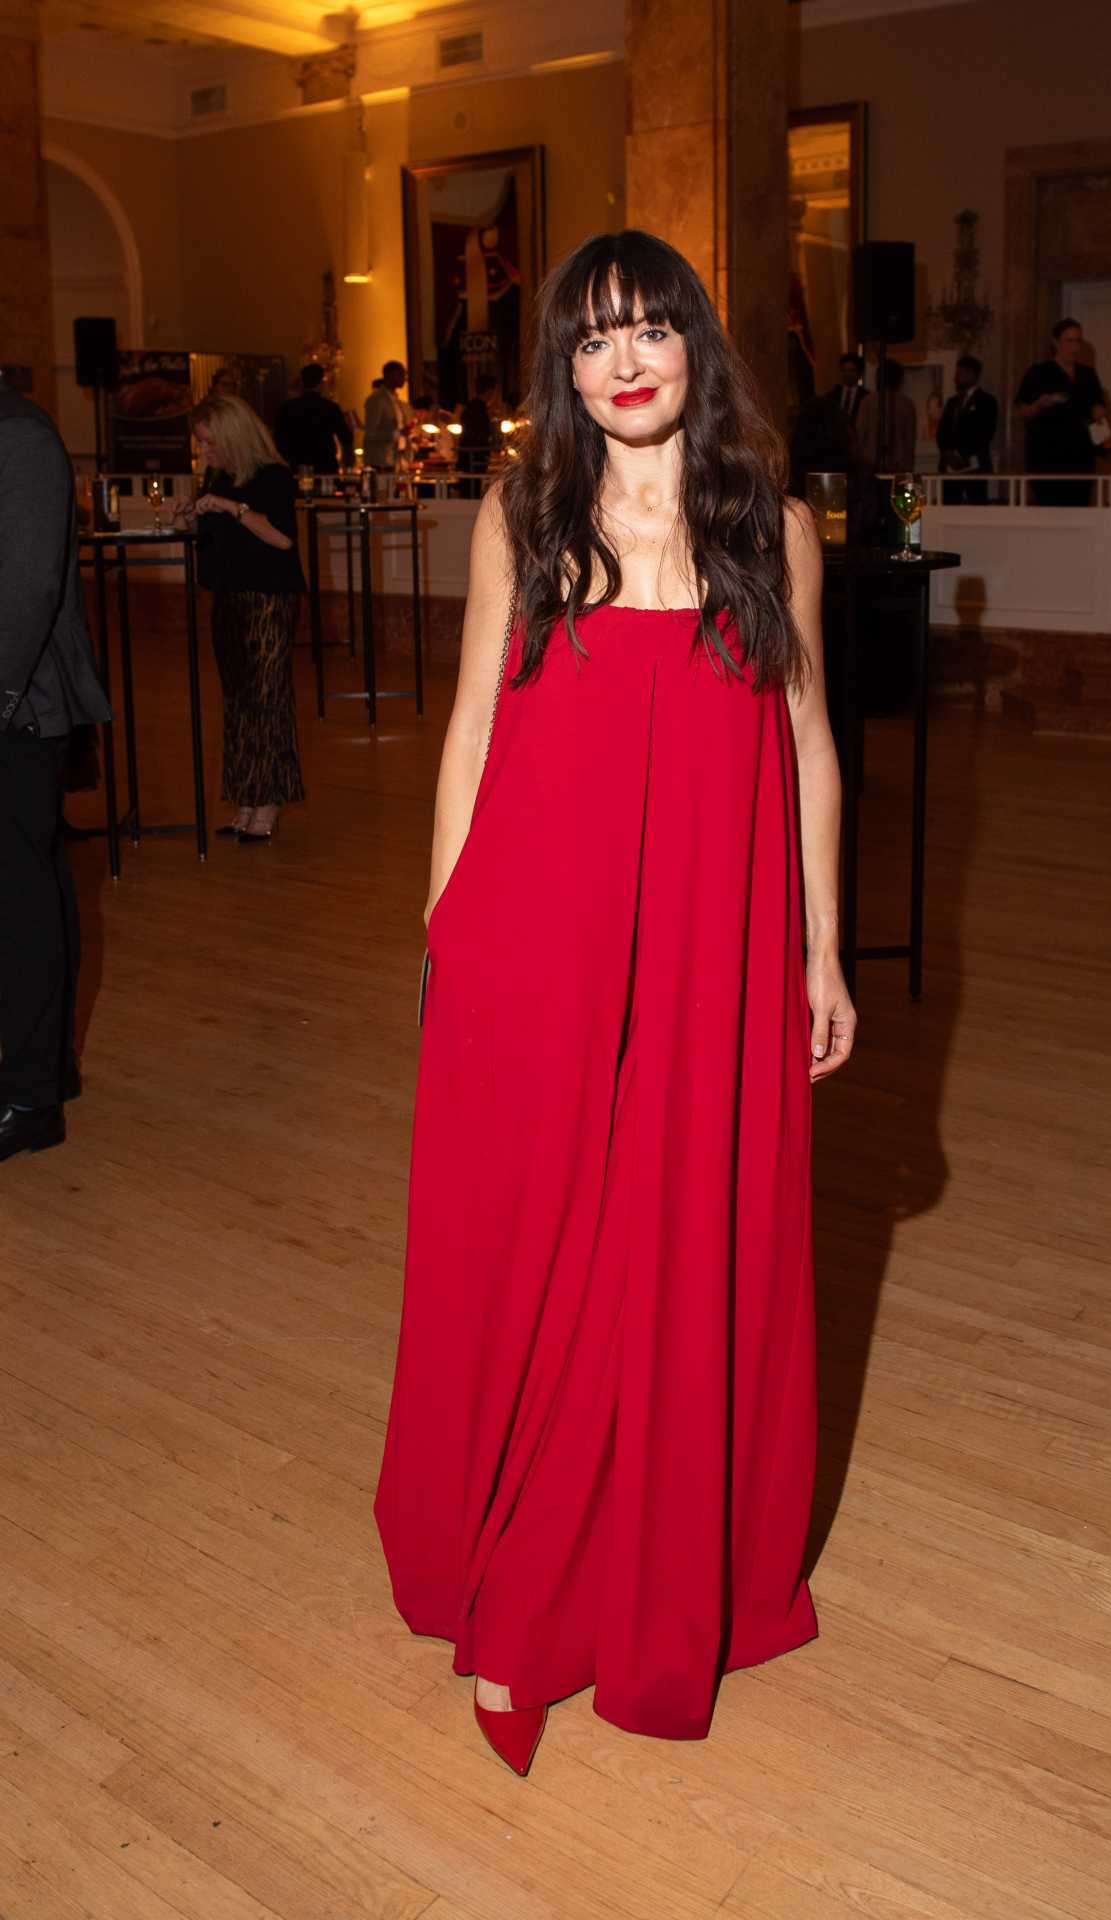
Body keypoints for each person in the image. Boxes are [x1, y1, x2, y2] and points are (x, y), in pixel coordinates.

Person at [374, 228, 855, 1776]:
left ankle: (641, 1565)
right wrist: (443, 927)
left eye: (651, 327)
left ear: (696, 344)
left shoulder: (772, 528)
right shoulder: (523, 520)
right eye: (592, 338)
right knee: (548, 1239)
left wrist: (821, 949)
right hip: (539, 937)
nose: (625, 359)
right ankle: (522, 1562)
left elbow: (807, 747)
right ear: (563, 370)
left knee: (673, 1235)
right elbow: (469, 729)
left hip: (714, 943)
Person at [0, 374, 111, 1161]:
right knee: (32, 890)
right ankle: (47, 1074)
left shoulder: (19, 437)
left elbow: (25, 593)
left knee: (21, 904)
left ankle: (31, 1096)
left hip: (20, 711)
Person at [175, 395, 305, 842]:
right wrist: (190, 517)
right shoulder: (216, 478)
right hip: (228, 599)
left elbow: (282, 539)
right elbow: (213, 541)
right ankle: (245, 799)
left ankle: (267, 802)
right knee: (237, 703)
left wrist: (233, 508)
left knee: (266, 700)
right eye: (201, 442)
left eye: (209, 442)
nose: (204, 450)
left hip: (267, 600)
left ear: (233, 437)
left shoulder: (273, 477)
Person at [1015, 318, 1107, 505]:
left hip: (1081, 458)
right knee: (1051, 511)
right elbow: (1022, 412)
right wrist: (1040, 404)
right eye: (1069, 341)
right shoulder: (1039, 373)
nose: (1074, 347)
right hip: (1047, 459)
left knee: (1080, 509)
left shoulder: (1087, 375)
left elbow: (1098, 404)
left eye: (1078, 341)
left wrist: (1098, 411)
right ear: (1056, 342)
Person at [788, 351, 865, 496]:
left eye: (852, 370)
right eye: (844, 370)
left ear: (860, 373)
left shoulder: (866, 398)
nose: (847, 374)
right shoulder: (831, 396)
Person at [937, 354, 998, 503]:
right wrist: (947, 453)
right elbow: (942, 431)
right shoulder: (952, 402)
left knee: (977, 506)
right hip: (950, 467)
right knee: (949, 505)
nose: (955, 378)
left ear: (971, 374)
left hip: (975, 465)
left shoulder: (986, 401)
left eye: (959, 374)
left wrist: (960, 454)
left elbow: (985, 433)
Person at [274, 362, 353, 475]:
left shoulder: (287, 408)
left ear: (302, 382)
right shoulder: (330, 407)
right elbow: (346, 438)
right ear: (321, 383)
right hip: (325, 465)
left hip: (298, 465)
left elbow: (279, 440)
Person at [855, 357, 917, 474]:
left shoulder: (868, 401)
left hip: (870, 464)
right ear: (899, 379)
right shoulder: (906, 404)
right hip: (899, 465)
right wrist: (908, 466)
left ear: (878, 377)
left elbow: (860, 435)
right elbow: (909, 442)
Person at [456, 373, 496, 497]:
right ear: (489, 391)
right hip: (474, 458)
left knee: (468, 491)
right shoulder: (480, 410)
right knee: (472, 491)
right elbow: (479, 435)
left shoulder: (470, 407)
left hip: (467, 458)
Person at [363, 359, 409, 468]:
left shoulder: (395, 401)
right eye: (401, 374)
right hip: (381, 460)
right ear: (390, 375)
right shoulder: (377, 400)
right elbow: (371, 432)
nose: (405, 378)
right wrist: (397, 433)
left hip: (396, 458)